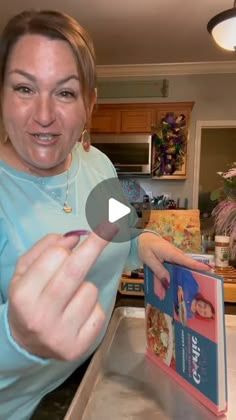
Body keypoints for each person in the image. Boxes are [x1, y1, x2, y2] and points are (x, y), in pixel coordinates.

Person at [0, 9, 209, 420]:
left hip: (94, 373)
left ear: (89, 103)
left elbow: (122, 231)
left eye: (64, 92)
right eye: (24, 88)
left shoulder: (100, 165)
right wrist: (17, 337)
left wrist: (145, 242)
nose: (43, 115)